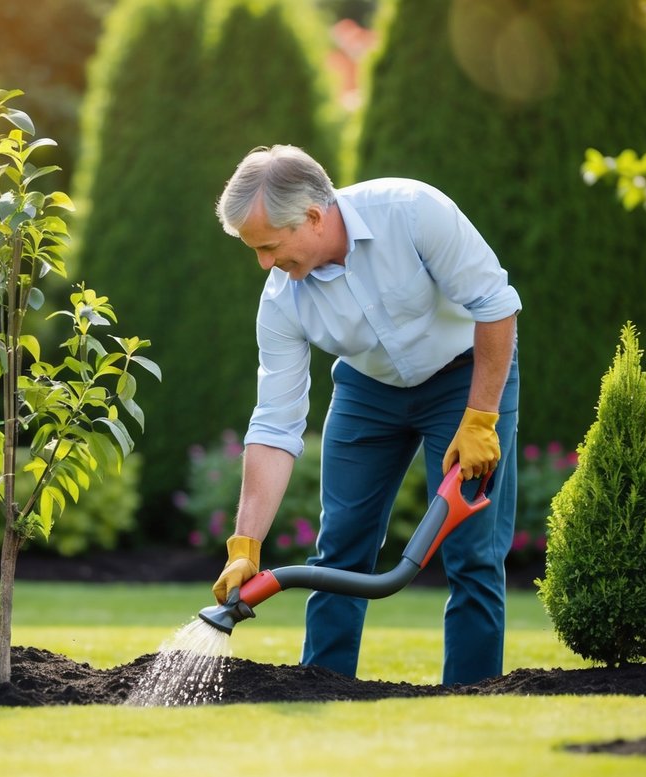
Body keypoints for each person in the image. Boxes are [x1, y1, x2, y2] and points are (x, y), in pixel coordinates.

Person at [211, 145, 520, 686]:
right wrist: (245, 544)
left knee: (472, 552)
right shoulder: (283, 297)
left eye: (269, 247)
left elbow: (496, 304)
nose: (263, 264)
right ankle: (321, 692)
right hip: (367, 389)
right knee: (340, 549)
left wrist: (481, 417)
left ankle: (472, 697)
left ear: (311, 216)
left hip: (466, 379)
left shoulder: (412, 212)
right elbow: (275, 425)